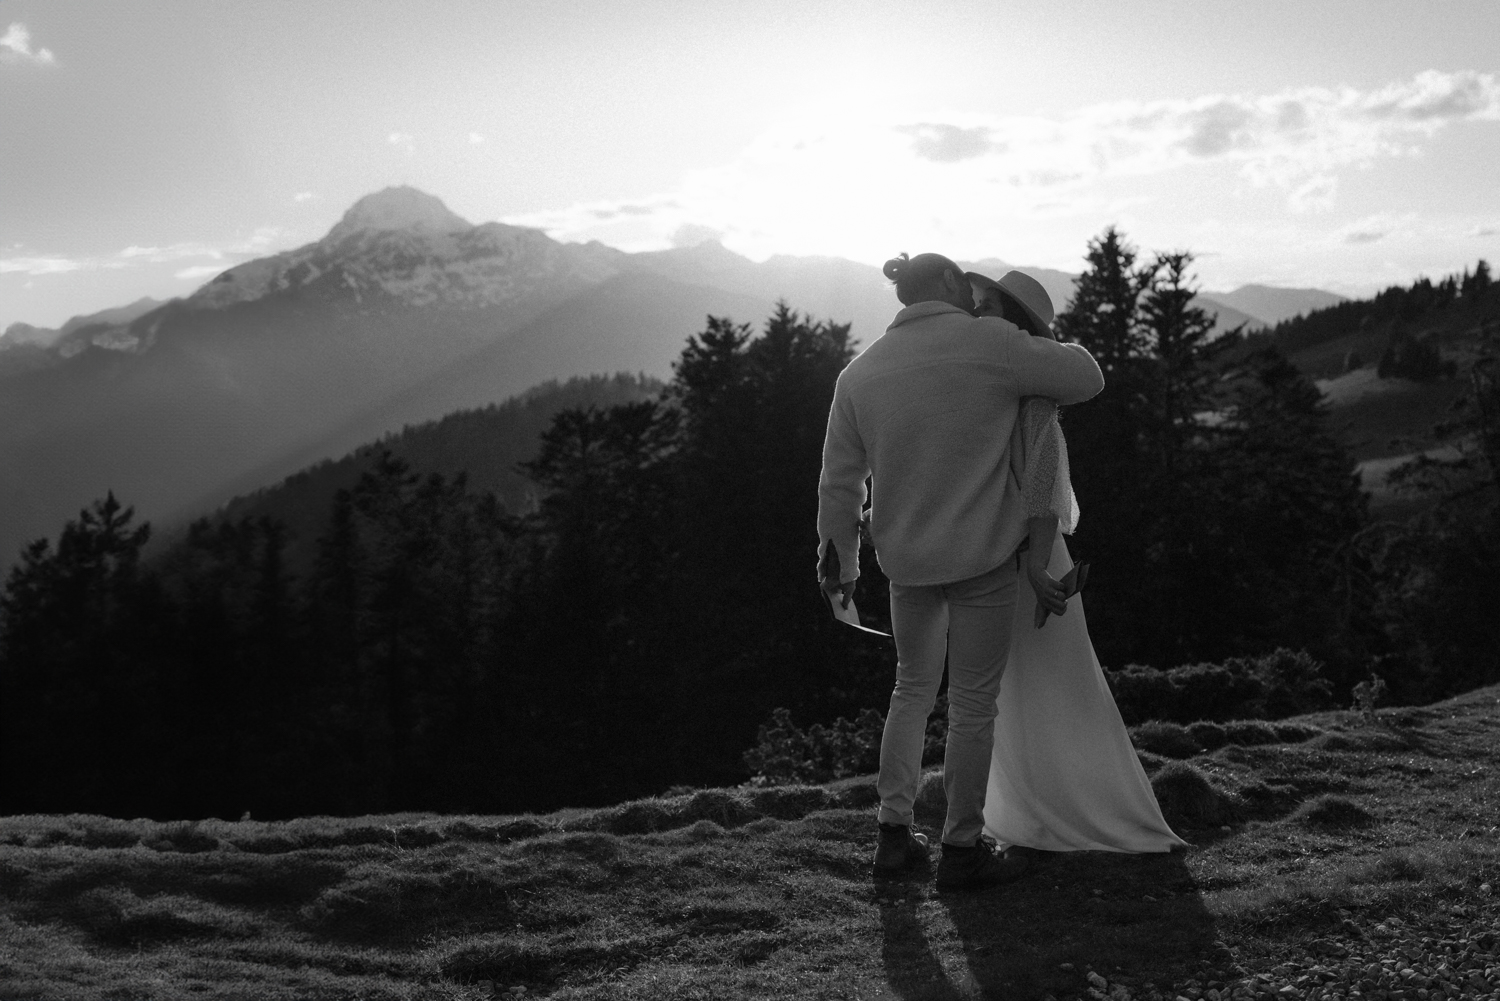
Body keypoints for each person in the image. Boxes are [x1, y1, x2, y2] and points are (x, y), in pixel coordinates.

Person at [816, 252, 1104, 891]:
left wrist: (841, 564)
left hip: (907, 564)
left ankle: (893, 838)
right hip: (983, 558)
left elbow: (839, 483)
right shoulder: (993, 345)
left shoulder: (859, 373)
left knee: (910, 692)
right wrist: (1034, 339)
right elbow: (1087, 377)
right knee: (974, 706)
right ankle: (962, 850)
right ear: (948, 285)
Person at [968, 269, 1186, 855]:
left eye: (987, 304)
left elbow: (1042, 495)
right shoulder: (996, 392)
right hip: (1008, 556)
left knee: (1054, 683)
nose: (974, 311)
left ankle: (1070, 812)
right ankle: (1028, 812)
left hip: (1029, 557)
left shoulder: (1035, 399)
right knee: (1020, 687)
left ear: (1014, 322)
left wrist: (1037, 566)